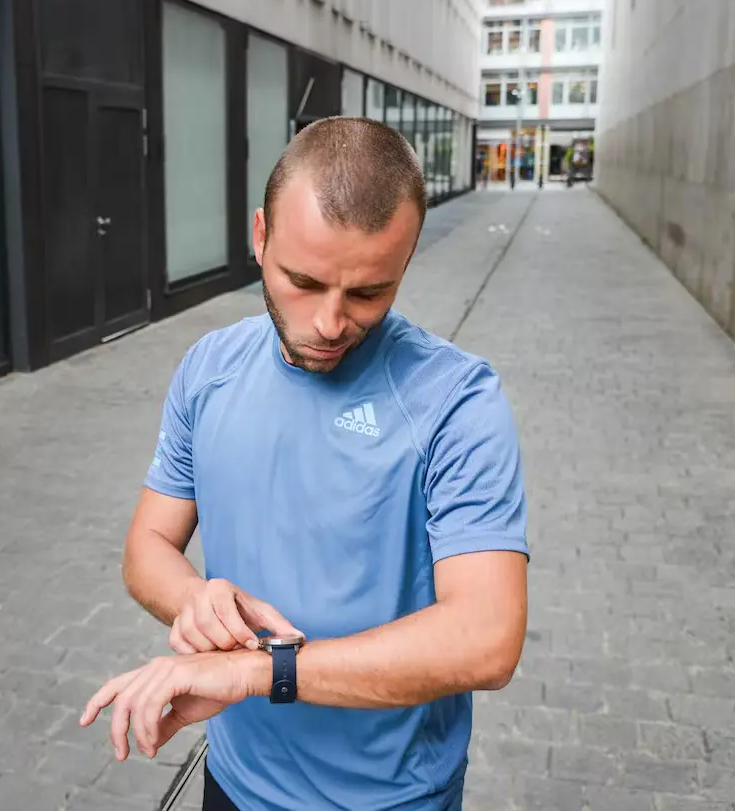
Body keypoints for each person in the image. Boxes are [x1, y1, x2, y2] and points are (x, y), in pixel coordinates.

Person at [80, 116, 530, 811]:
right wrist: (194, 602)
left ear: (405, 260)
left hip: (387, 799)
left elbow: (486, 639)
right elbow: (147, 546)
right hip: (233, 779)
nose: (328, 322)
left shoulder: (457, 401)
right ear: (259, 236)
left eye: (368, 292)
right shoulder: (209, 369)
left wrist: (260, 671)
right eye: (303, 279)